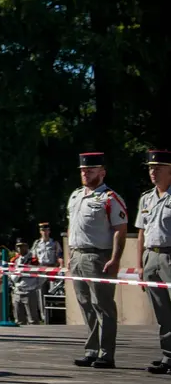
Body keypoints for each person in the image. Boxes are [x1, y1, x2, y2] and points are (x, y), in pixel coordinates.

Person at [67, 152, 128, 368]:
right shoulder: (75, 196)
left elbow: (120, 230)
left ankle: (106, 353)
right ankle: (92, 349)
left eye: (90, 170)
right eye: (83, 170)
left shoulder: (110, 198)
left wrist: (115, 259)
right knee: (85, 304)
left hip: (98, 256)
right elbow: (72, 227)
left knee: (103, 305)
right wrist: (69, 255)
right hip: (77, 255)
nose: (85, 174)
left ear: (102, 172)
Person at [136, 149, 171, 375]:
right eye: (150, 168)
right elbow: (141, 232)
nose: (153, 172)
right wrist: (139, 264)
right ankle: (168, 355)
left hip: (170, 255)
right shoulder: (147, 198)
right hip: (151, 255)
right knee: (162, 311)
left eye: (158, 168)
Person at [32, 221, 64, 322]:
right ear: (40, 232)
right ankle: (43, 316)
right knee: (41, 293)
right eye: (42, 230)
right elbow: (33, 257)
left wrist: (60, 266)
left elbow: (59, 256)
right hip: (41, 270)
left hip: (52, 269)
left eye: (46, 230)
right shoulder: (37, 243)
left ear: (49, 231)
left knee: (53, 292)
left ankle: (54, 316)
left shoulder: (54, 243)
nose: (44, 232)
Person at [10, 240, 43, 326]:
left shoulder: (33, 261)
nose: (20, 248)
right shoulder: (14, 260)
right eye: (18, 246)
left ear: (27, 247)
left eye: (22, 246)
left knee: (32, 320)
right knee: (18, 320)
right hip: (17, 291)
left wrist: (36, 286)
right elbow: (10, 275)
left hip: (29, 291)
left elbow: (42, 275)